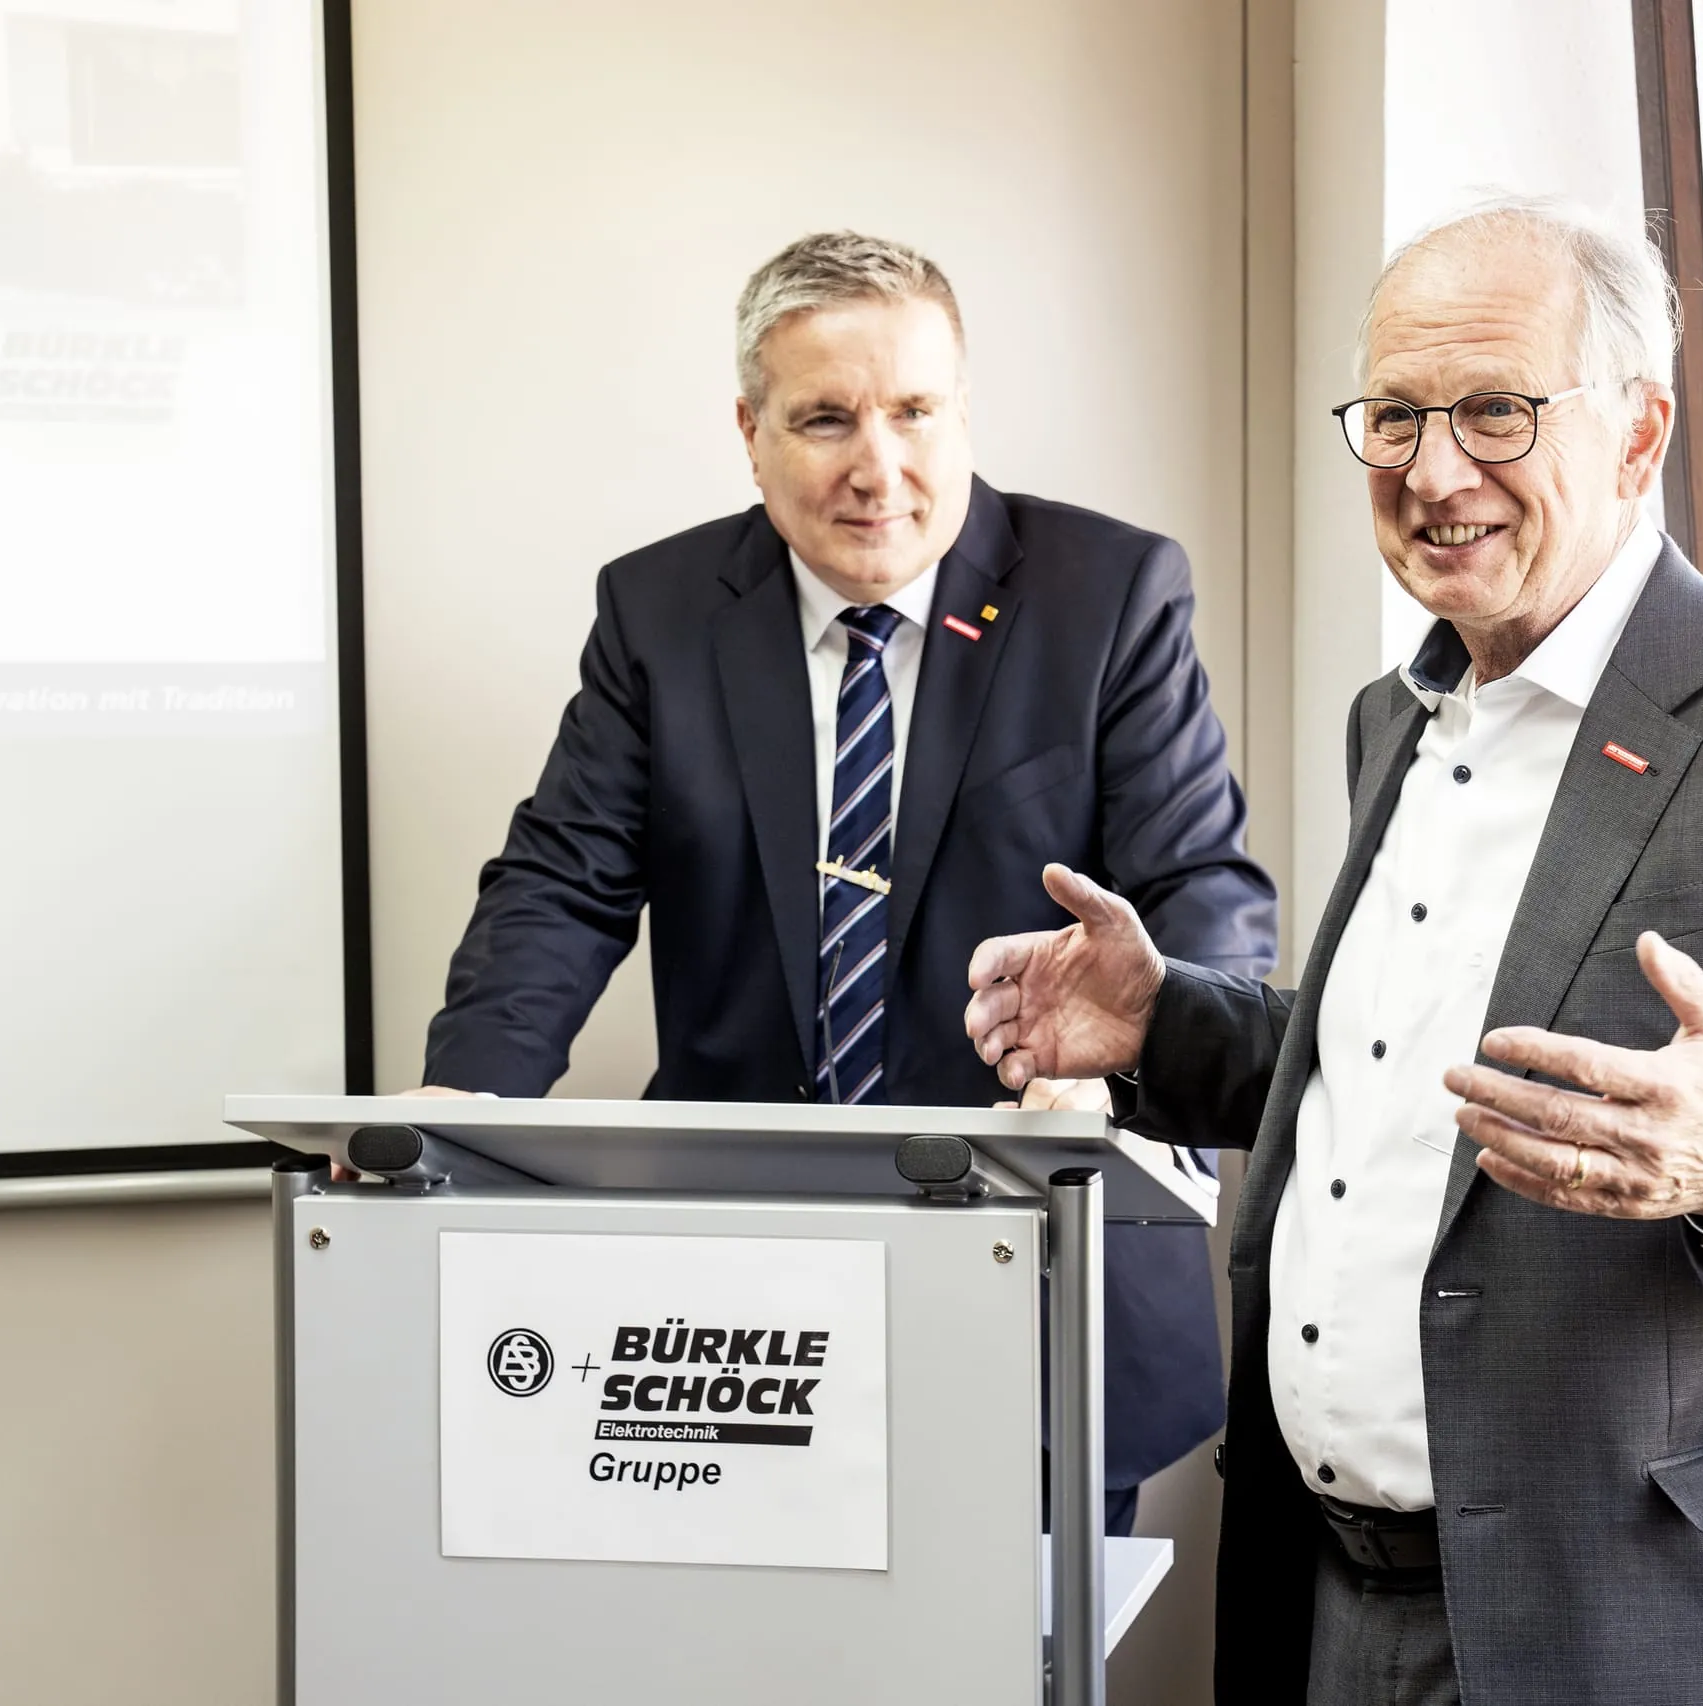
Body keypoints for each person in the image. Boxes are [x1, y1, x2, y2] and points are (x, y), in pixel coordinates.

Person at [964, 199, 1703, 1705]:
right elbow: (1418, 1080)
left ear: (1640, 434)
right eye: (1395, 414)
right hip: (1334, 1601)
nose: (1434, 470)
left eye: (1496, 411)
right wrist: (1162, 1027)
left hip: (1644, 1630)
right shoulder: (1394, 717)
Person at [422, 230, 1275, 1535]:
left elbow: (1201, 887)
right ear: (750, 432)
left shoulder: (1108, 595)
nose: (878, 467)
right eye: (826, 419)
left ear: (963, 411)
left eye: (915, 411)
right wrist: (463, 1103)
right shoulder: (661, 612)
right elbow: (561, 882)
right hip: (733, 1301)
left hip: (1045, 1265)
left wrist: (1135, 1071)